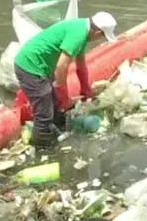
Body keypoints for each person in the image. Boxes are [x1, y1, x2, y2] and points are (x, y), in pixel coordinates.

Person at [13, 12, 117, 147]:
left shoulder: (82, 29)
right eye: (102, 36)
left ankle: (58, 128)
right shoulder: (78, 35)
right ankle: (42, 147)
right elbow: (62, 65)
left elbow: (81, 64)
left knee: (53, 104)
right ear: (98, 32)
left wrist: (85, 88)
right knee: (44, 114)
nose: (99, 39)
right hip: (30, 67)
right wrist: (59, 85)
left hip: (43, 66)